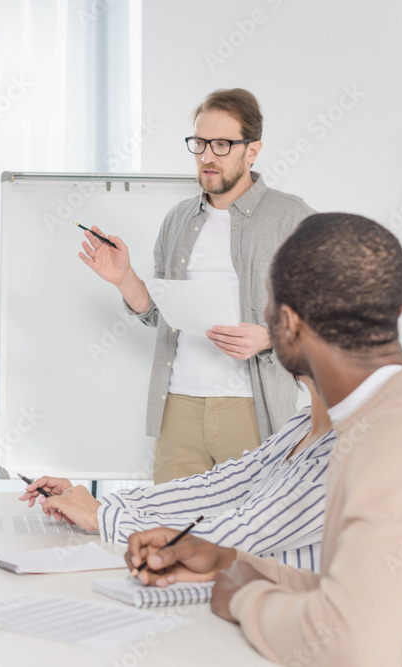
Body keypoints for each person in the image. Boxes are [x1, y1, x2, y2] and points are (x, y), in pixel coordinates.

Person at [124, 214, 402, 665]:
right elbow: (361, 596)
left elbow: (348, 643)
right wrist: (232, 565)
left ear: (287, 324)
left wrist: (243, 598)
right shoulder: (399, 410)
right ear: (395, 310)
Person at [80, 89, 314, 483]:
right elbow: (159, 315)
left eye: (222, 144)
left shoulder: (291, 217)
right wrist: (124, 278)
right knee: (170, 521)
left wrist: (269, 337)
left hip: (253, 407)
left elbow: (326, 315)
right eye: (200, 143)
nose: (207, 156)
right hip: (178, 406)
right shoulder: (177, 220)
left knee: (251, 523)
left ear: (252, 151)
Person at [19, 375, 334, 570]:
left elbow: (236, 534)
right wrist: (99, 505)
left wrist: (101, 517)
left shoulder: (344, 453)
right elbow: (217, 488)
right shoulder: (303, 423)